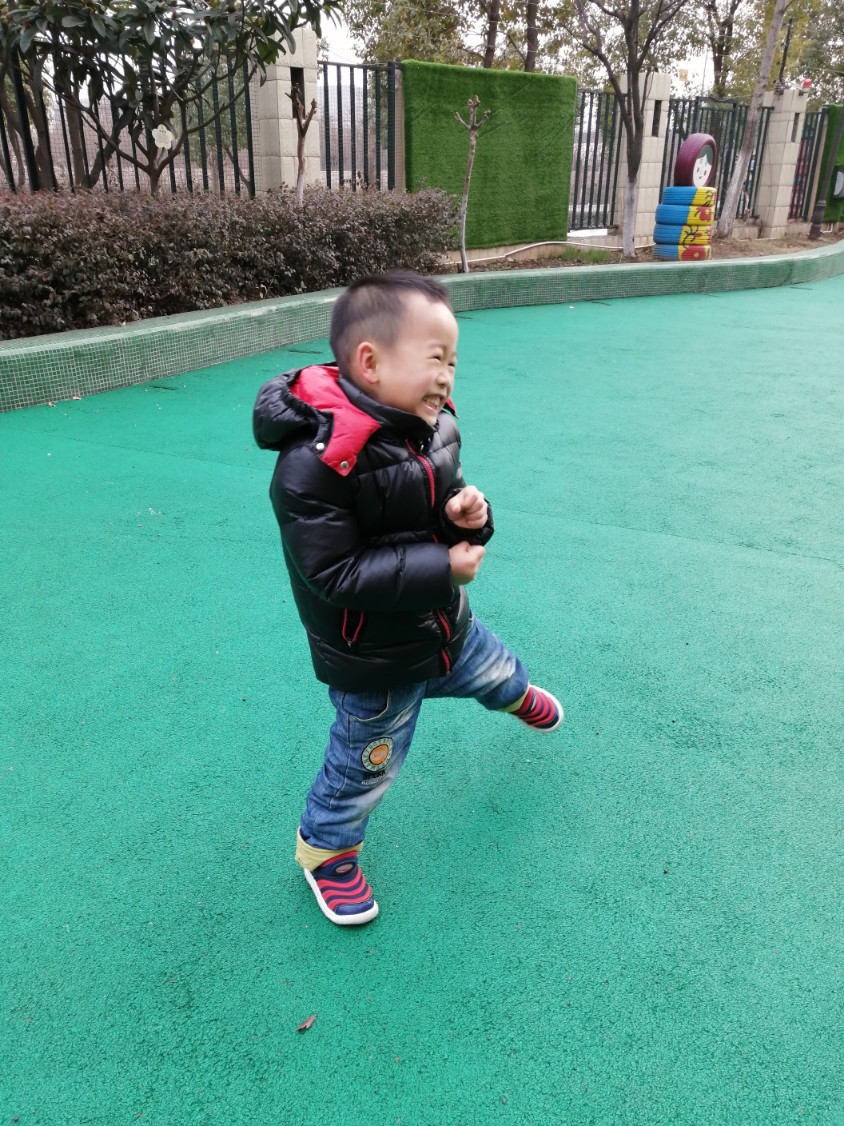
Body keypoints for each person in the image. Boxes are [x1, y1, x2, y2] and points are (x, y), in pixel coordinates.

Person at [253, 269, 562, 926]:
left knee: (498, 669)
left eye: (453, 362)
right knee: (366, 762)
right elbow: (334, 573)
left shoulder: (435, 427)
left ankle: (512, 695)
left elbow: (440, 509)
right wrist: (442, 564)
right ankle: (326, 851)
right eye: (435, 359)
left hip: (445, 624)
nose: (447, 377)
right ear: (371, 362)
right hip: (375, 657)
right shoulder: (313, 464)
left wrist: (466, 518)